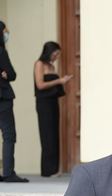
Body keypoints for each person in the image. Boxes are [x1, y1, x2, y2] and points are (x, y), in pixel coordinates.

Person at [34, 41, 72, 177]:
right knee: (47, 134)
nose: (56, 57)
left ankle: (54, 169)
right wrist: (60, 81)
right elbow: (40, 85)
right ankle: (47, 170)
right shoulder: (39, 64)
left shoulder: (51, 65)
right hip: (43, 103)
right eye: (55, 54)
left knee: (54, 134)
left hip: (53, 103)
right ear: (49, 52)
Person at [0, 21, 28, 182]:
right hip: (3, 99)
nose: (6, 34)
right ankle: (8, 172)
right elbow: (12, 74)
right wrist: (5, 74)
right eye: (5, 31)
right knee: (9, 135)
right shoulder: (1, 52)